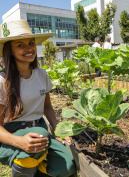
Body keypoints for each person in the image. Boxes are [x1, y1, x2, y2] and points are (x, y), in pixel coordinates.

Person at [0, 20, 76, 177]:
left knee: (66, 167)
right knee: (39, 135)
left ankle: (36, 166)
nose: (29, 48)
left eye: (31, 43)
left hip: (40, 131)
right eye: (20, 45)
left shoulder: (42, 74)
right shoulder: (2, 81)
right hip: (11, 133)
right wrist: (19, 142)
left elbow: (47, 106)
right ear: (10, 51)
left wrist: (57, 130)